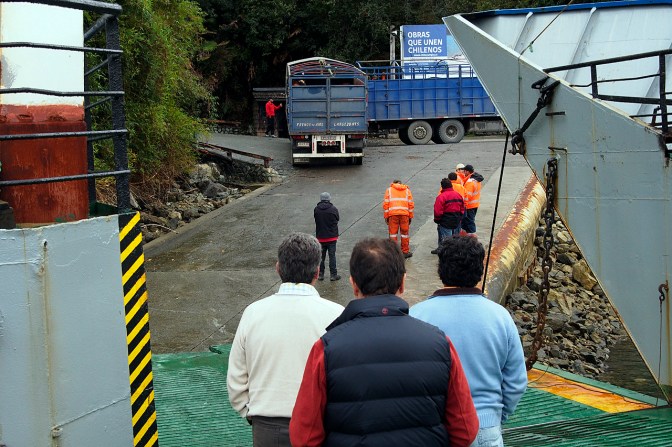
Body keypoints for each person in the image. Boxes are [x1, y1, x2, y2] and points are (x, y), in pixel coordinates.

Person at [289, 237, 479, 447]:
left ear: (353, 284)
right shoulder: (441, 344)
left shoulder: (326, 349)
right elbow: (465, 430)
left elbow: (304, 437)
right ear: (403, 282)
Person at [227, 232, 344, 447]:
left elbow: (236, 378)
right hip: (321, 426)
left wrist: (251, 413)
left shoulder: (253, 313)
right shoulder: (337, 315)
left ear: (278, 268)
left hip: (266, 427)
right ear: (317, 272)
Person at [410, 236, 527, 447]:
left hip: (433, 428)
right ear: (480, 270)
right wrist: (495, 417)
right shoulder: (500, 317)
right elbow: (516, 382)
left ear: (441, 270)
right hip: (485, 428)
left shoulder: (416, 316)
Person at [431, 178, 465, 254]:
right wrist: (460, 217)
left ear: (442, 187)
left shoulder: (441, 197)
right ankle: (455, 252)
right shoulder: (458, 195)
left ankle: (447, 254)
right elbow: (462, 208)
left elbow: (437, 212)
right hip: (456, 220)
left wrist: (437, 220)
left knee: (447, 240)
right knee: (455, 238)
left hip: (445, 221)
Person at [383, 179, 414, 258]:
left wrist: (386, 216)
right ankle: (405, 251)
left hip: (393, 215)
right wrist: (410, 216)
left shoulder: (389, 190)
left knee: (393, 234)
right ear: (401, 184)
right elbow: (410, 205)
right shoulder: (407, 190)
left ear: (393, 183)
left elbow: (386, 205)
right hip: (404, 215)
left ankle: (394, 253)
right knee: (404, 234)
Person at [313, 192, 341, 281]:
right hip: (332, 237)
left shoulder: (316, 209)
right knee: (332, 256)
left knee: (321, 256)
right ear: (329, 199)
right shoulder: (333, 209)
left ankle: (320, 274)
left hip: (320, 237)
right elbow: (337, 218)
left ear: (320, 199)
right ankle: (333, 275)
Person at [462, 164, 484, 234]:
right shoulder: (477, 180)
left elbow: (467, 196)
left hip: (469, 206)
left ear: (468, 172)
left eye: (464, 171)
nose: (463, 172)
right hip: (475, 204)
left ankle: (471, 236)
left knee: (469, 222)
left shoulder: (470, 182)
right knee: (469, 221)